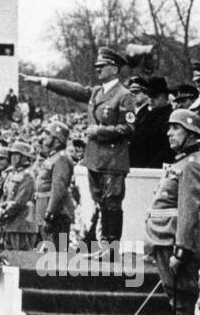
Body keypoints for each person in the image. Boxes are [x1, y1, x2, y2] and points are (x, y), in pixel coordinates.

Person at [27, 46, 136, 246]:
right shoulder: (96, 92)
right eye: (97, 66)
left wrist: (102, 131)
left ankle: (111, 246)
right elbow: (72, 89)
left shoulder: (124, 95)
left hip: (113, 159)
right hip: (94, 158)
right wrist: (44, 81)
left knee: (112, 203)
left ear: (114, 68)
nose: (98, 70)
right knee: (100, 202)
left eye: (102, 66)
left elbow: (129, 127)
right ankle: (102, 242)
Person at [142, 108, 200, 315]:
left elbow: (188, 210)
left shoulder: (192, 164)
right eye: (169, 128)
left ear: (191, 135)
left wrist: (181, 250)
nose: (170, 133)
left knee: (182, 308)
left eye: (176, 129)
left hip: (176, 244)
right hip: (164, 240)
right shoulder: (182, 162)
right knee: (176, 307)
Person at [34, 120, 75, 251]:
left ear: (57, 139)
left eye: (47, 134)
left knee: (57, 254)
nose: (43, 137)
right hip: (44, 207)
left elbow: (58, 190)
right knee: (49, 251)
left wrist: (49, 214)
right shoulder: (52, 157)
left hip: (56, 213)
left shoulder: (61, 158)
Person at [128, 75, 172, 169]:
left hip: (154, 166)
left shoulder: (170, 116)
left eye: (155, 97)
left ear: (164, 96)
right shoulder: (146, 113)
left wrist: (152, 165)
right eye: (149, 96)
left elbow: (167, 147)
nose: (151, 100)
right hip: (137, 163)